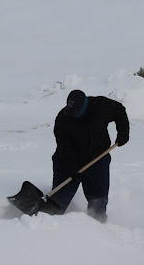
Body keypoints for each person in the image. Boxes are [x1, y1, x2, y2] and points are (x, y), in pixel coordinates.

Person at [38, 90, 129, 223]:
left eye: (75, 112)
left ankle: (97, 228)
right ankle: (46, 224)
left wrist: (123, 133)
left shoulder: (101, 106)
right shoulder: (63, 118)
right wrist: (72, 166)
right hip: (67, 160)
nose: (72, 115)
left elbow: (119, 110)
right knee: (59, 197)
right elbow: (64, 146)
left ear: (83, 106)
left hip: (97, 158)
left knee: (98, 199)